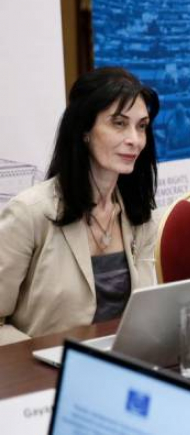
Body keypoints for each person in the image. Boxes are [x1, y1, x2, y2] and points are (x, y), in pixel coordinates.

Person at [0, 67, 159, 345]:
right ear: (84, 130)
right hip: (42, 368)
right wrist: (38, 357)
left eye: (141, 126)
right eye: (119, 123)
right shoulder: (29, 213)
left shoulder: (139, 215)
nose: (135, 139)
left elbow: (144, 315)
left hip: (124, 361)